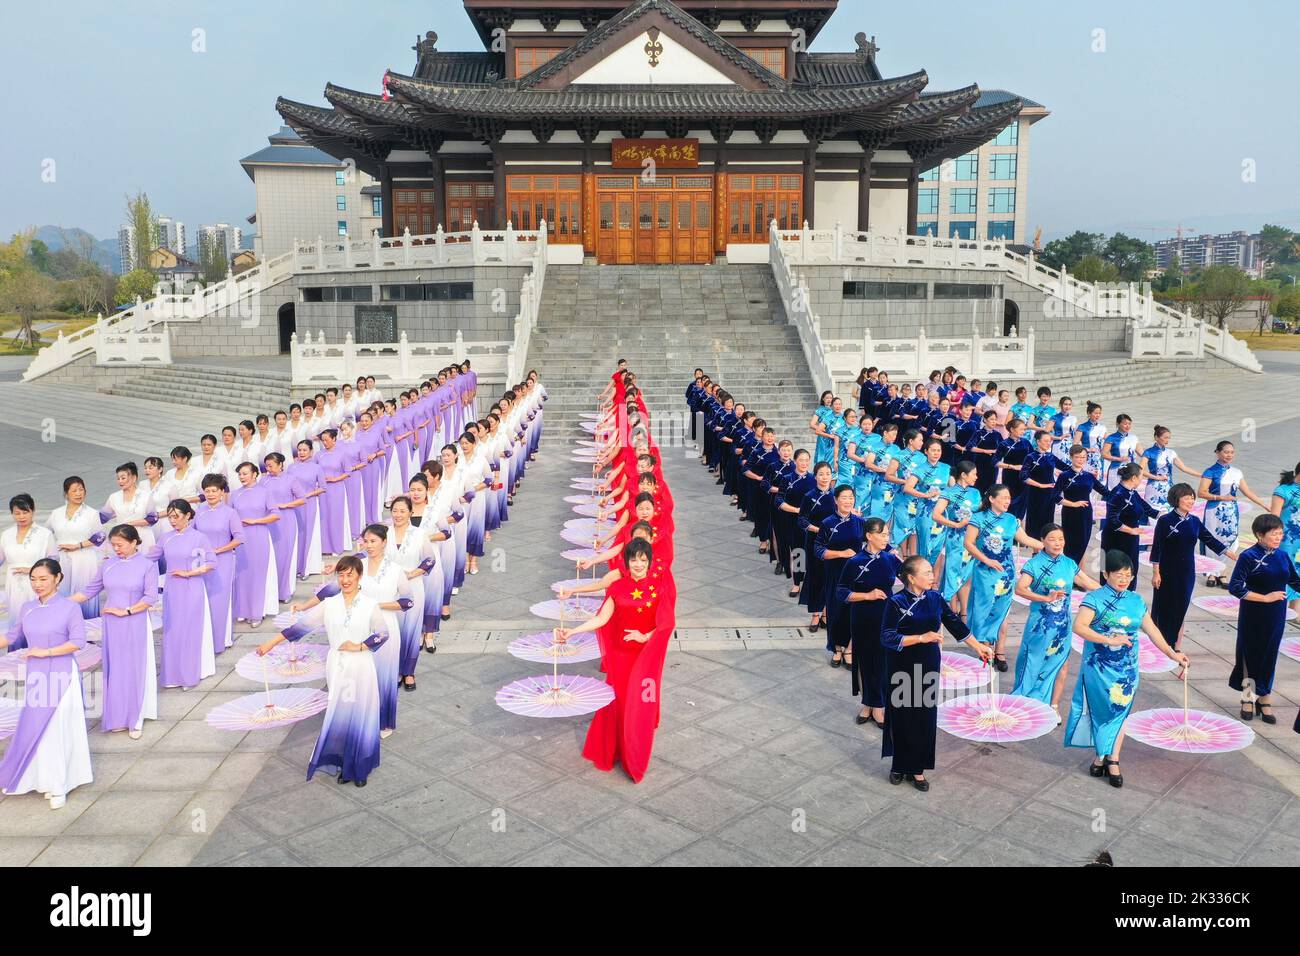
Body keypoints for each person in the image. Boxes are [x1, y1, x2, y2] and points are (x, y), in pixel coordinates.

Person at [257, 555, 387, 786]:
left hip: (361, 665)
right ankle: (344, 763)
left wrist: (360, 645)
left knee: (361, 713)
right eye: (341, 574)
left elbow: (382, 633)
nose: (345, 579)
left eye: (350, 574)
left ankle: (359, 767)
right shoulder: (329, 605)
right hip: (337, 665)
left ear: (359, 576)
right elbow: (299, 628)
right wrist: (270, 643)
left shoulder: (370, 605)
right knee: (341, 714)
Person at [556, 538, 675, 783]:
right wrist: (572, 632)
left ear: (649, 561)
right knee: (617, 704)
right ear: (627, 562)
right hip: (621, 657)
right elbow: (601, 619)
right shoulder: (618, 588)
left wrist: (645, 636)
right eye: (634, 559)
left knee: (640, 707)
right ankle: (616, 750)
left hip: (645, 659)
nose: (639, 564)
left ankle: (635, 758)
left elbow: (666, 623)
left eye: (643, 559)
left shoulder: (659, 587)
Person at [1066, 550, 1188, 788]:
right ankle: (1101, 755)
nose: (1124, 579)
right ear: (1105, 574)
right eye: (1119, 574)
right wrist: (1108, 640)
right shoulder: (1094, 599)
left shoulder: (1136, 601)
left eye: (1128, 575)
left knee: (1120, 712)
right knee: (1102, 711)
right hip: (1098, 667)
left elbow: (1152, 631)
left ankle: (1112, 758)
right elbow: (1079, 627)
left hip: (1127, 670)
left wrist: (1173, 654)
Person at [880, 555, 993, 791]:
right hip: (901, 666)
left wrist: (978, 646)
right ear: (911, 578)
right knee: (902, 715)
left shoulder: (935, 598)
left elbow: (955, 624)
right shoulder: (895, 602)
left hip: (928, 664)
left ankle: (918, 768)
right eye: (927, 573)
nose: (933, 576)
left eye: (932, 572)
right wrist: (921, 638)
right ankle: (899, 764)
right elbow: (887, 636)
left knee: (924, 717)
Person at [0, 559, 93, 809]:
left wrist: (46, 652)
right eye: (33, 579)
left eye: (43, 579)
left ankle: (59, 783)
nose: (37, 584)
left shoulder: (69, 608)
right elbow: (11, 636)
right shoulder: (27, 608)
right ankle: (41, 778)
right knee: (35, 727)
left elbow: (78, 641)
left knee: (57, 728)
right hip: (37, 675)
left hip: (62, 674)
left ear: (57, 578)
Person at [70, 525, 158, 738]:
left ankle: (135, 718)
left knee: (134, 668)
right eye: (113, 545)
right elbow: (90, 590)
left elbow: (150, 598)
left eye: (120, 545)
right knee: (116, 668)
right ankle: (118, 716)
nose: (116, 549)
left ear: (134, 542)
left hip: (134, 621)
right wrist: (62, 604)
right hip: (111, 624)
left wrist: (126, 611)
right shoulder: (108, 565)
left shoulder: (147, 565)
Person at [1011, 524, 1100, 718]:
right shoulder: (1034, 564)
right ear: (1042, 541)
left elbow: (1086, 582)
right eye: (1052, 539)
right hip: (1040, 625)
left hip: (1063, 625)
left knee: (1061, 664)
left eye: (1060, 539)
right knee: (1032, 662)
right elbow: (1020, 589)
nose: (1057, 543)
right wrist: (1046, 598)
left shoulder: (1069, 563)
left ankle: (1053, 705)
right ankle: (1023, 702)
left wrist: (1110, 592)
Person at [1228, 513, 1300, 724]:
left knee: (1269, 654)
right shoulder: (1248, 556)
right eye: (1274, 534)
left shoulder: (1282, 556)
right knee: (1250, 653)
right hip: (1253, 613)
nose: (1278, 538)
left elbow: (1295, 581)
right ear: (1260, 534)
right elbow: (1235, 587)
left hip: (1276, 615)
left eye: (1280, 533)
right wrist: (1265, 598)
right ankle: (1248, 698)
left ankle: (1264, 697)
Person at [964, 484, 1044, 670]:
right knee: (983, 610)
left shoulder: (1011, 520)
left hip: (1005, 574)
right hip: (985, 572)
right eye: (1004, 498)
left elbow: (1025, 540)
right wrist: (987, 560)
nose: (1008, 501)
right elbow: (968, 543)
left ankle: (999, 651)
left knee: (1003, 612)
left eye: (1009, 498)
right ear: (992, 499)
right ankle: (983, 648)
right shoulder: (978, 518)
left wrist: (1047, 546)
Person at [1150, 483, 1235, 649]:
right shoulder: (1165, 520)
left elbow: (1209, 539)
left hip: (1186, 572)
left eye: (1192, 498)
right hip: (1166, 571)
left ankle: (1175, 645)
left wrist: (1229, 553)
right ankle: (1159, 641)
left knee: (1181, 607)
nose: (1190, 501)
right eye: (1186, 497)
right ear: (1176, 499)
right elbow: (1157, 547)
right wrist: (1156, 572)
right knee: (1164, 606)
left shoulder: (1194, 521)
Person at [837, 518, 901, 728]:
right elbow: (842, 592)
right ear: (869, 536)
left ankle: (879, 705)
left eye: (887, 534)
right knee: (865, 661)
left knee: (882, 662)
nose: (886, 538)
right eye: (882, 534)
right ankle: (868, 703)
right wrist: (867, 596)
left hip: (887, 619)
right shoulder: (854, 562)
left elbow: (909, 577)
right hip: (863, 617)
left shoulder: (890, 559)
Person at [149, 499, 218, 690]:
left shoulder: (198, 538)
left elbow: (211, 563)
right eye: (170, 516)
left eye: (176, 516)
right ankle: (173, 674)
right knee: (172, 631)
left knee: (190, 630)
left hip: (192, 588)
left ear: (187, 516)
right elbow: (150, 559)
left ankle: (190, 673)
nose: (172, 521)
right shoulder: (166, 537)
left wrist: (188, 573)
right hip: (172, 590)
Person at [815, 484, 866, 665]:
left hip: (857, 577)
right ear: (836, 500)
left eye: (851, 497)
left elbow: (875, 538)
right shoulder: (828, 523)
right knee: (836, 613)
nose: (848, 501)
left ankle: (849, 649)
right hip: (835, 574)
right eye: (844, 497)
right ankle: (837, 649)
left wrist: (890, 551)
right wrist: (841, 554)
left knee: (853, 614)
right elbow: (818, 550)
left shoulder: (860, 522)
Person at [194, 474, 244, 655]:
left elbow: (239, 538)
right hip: (202, 561)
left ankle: (221, 640)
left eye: (214, 490)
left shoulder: (230, 513)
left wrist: (218, 550)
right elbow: (192, 533)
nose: (210, 494)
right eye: (207, 491)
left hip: (223, 561)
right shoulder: (199, 511)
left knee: (220, 601)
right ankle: (205, 639)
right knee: (204, 599)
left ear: (222, 492)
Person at [229, 462, 281, 628]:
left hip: (259, 536)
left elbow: (275, 514)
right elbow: (229, 516)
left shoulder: (264, 492)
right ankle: (243, 610)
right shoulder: (235, 494)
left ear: (254, 474)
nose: (242, 477)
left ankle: (257, 612)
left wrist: (256, 521)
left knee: (258, 574)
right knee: (242, 574)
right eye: (240, 474)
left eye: (245, 473)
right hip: (240, 538)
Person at [48, 476, 104, 619]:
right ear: (66, 494)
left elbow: (100, 536)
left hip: (84, 559)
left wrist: (78, 546)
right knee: (63, 592)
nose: (79, 494)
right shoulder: (56, 513)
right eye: (74, 491)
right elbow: (46, 533)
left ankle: (88, 632)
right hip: (62, 561)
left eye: (81, 490)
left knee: (84, 594)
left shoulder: (91, 513)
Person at [1100, 463, 1158, 592]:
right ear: (1133, 478)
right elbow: (1112, 519)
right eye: (1141, 476)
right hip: (1115, 539)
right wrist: (1131, 530)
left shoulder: (1132, 492)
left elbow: (1147, 508)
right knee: (1114, 569)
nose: (1142, 479)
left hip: (1130, 539)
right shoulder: (1118, 494)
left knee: (1131, 569)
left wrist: (1164, 516)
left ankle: (1128, 596)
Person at [935, 461, 981, 617]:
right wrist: (955, 524)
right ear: (963, 475)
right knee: (953, 571)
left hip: (972, 539)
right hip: (955, 539)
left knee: (967, 574)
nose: (976, 477)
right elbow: (936, 515)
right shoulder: (948, 492)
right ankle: (952, 607)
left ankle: (964, 611)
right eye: (973, 474)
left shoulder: (975, 493)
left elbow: (981, 512)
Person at [1, 494, 55, 618]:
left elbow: (54, 561)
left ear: (33, 511)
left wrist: (33, 570)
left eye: (25, 512)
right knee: (16, 616)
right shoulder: (6, 535)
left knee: (36, 617)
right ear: (12, 514)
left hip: (38, 582)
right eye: (17, 513)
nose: (21, 517)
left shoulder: (44, 534)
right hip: (13, 583)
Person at [1053, 444, 1105, 564]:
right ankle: (1069, 572)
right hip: (1070, 513)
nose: (1081, 460)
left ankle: (1076, 574)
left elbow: (1105, 491)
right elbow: (1054, 496)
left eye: (1084, 457)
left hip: (1086, 514)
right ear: (1071, 457)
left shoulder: (1089, 476)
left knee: (1083, 543)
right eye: (1078, 457)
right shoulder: (1064, 475)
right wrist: (1073, 504)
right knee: (1070, 544)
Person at [1140, 426, 1201, 514]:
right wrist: (1156, 477)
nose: (1167, 440)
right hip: (1154, 487)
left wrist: (1202, 475)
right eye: (1165, 437)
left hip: (1168, 487)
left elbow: (1184, 468)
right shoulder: (1148, 452)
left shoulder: (1171, 453)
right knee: (1153, 512)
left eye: (1169, 438)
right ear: (1156, 437)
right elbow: (1140, 470)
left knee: (1169, 511)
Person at [1270, 462, 1300, 616]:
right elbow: (1274, 518)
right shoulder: (1283, 491)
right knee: (1286, 573)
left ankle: (1296, 614)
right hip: (1286, 540)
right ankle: (1279, 611)